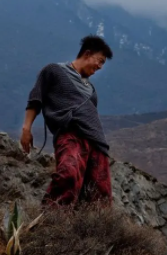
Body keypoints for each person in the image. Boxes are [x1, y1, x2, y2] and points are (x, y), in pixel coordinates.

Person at [20, 34, 113, 208]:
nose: (99, 67)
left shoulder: (91, 91)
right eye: (99, 61)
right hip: (70, 134)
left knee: (101, 194)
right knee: (68, 174)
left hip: (97, 143)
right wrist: (26, 128)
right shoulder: (54, 71)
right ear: (87, 54)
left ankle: (95, 233)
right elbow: (35, 99)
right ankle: (51, 223)